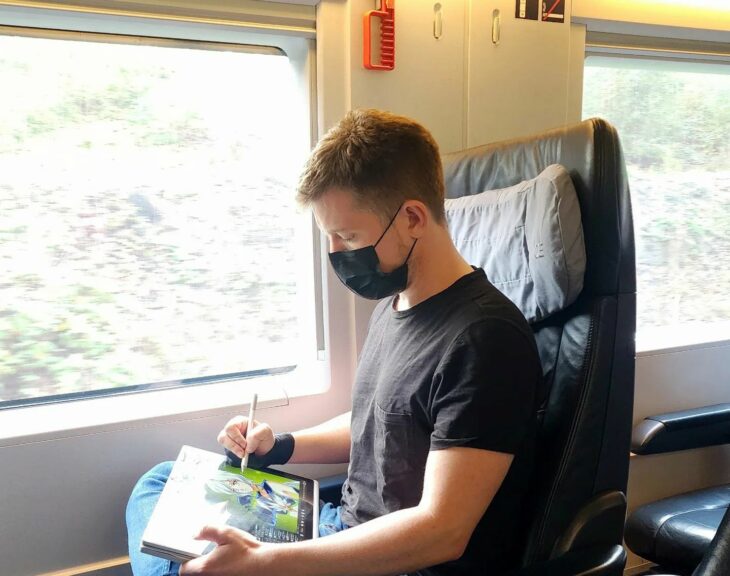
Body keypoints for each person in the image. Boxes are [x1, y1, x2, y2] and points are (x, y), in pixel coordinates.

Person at [126, 109, 542, 576]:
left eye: (347, 235)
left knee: (192, 558)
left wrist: (271, 563)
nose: (336, 255)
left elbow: (442, 530)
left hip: (391, 561)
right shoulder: (394, 302)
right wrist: (278, 446)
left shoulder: (485, 340)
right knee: (161, 483)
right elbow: (380, 421)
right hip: (336, 522)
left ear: (411, 218)